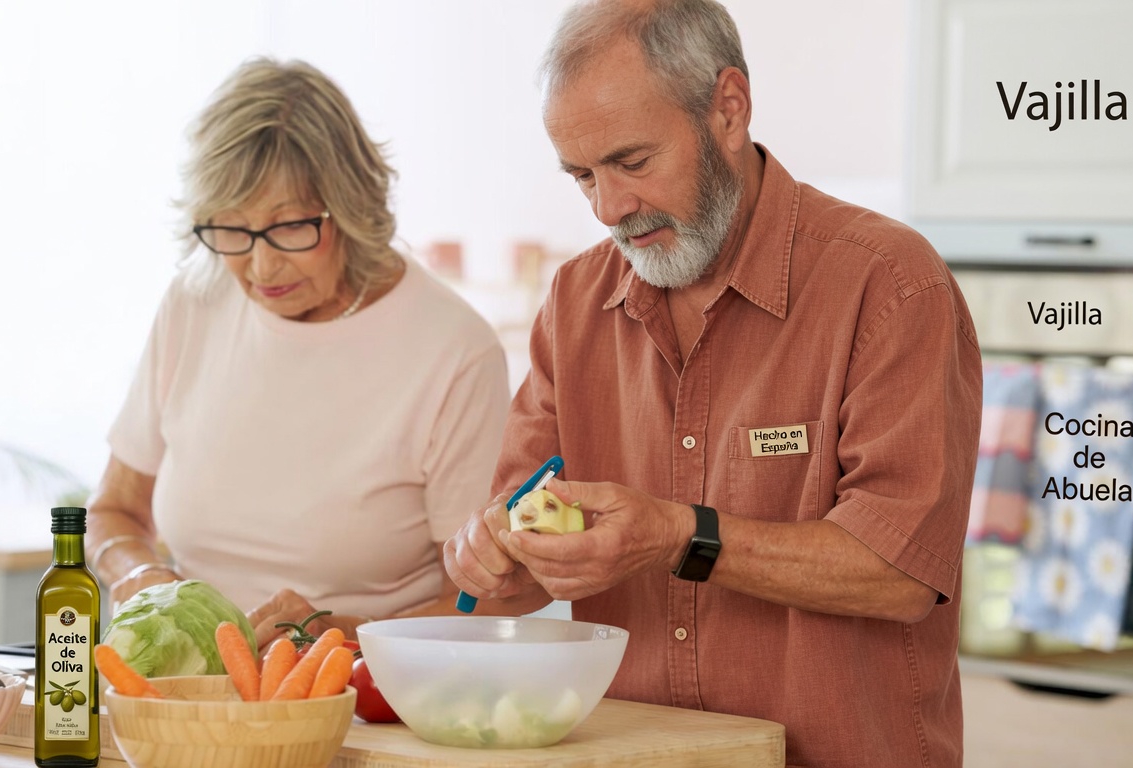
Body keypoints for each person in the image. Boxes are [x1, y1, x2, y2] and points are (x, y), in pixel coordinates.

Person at [443, 1, 982, 766]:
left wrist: (676, 536)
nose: (609, 209)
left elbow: (899, 571)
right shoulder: (573, 303)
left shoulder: (889, 284)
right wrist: (488, 556)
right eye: (582, 176)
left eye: (632, 163)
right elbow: (519, 565)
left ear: (729, 106)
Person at [87, 57, 511, 652]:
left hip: (355, 696)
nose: (261, 267)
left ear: (353, 207)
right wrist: (139, 577)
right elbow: (113, 510)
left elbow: (481, 601)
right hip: (185, 693)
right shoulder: (197, 298)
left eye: (289, 228)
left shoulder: (454, 351)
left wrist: (348, 637)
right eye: (230, 229)